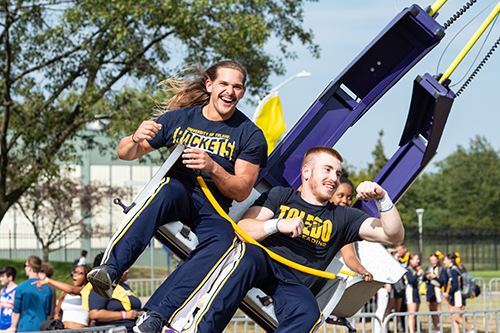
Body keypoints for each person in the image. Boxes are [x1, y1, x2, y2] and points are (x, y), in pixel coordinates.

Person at [142, 146, 404, 333]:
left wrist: (382, 198)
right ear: (307, 171)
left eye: (338, 172)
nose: (334, 178)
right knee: (247, 255)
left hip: (293, 281)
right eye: (328, 170)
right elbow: (244, 228)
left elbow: (393, 235)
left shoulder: (344, 216)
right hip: (262, 263)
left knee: (309, 311)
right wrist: (277, 224)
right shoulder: (281, 196)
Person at [86, 61, 267, 329]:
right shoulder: (179, 119)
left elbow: (241, 191)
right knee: (167, 189)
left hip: (213, 207)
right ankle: (111, 270)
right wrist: (135, 138)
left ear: (242, 92)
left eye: (237, 87)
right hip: (178, 192)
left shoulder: (250, 135)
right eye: (224, 84)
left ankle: (156, 315)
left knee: (224, 241)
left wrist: (213, 167)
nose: (230, 91)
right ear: (210, 85)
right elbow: (125, 153)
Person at [330, 175, 373, 282]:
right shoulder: (315, 214)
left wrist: (362, 270)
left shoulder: (345, 225)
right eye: (340, 195)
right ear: (330, 194)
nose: (345, 200)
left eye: (349, 198)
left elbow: (349, 256)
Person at [8, 256, 53, 333]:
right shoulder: (47, 288)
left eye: (25, 266)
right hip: (42, 328)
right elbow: (48, 314)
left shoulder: (21, 287)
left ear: (30, 268)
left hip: (25, 328)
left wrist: (13, 328)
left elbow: (16, 312)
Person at [443, 253, 473, 333]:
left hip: (457, 295)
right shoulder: (450, 269)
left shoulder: (454, 270)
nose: (444, 262)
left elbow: (456, 285)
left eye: (445, 260)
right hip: (453, 295)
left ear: (450, 260)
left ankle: (470, 331)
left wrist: (448, 293)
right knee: (452, 316)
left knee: (457, 317)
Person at [423, 252, 447, 333]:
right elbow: (423, 278)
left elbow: (443, 281)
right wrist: (426, 276)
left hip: (437, 291)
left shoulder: (441, 269)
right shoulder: (428, 268)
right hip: (429, 291)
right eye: (431, 260)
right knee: (432, 310)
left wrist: (435, 277)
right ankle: (435, 327)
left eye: (434, 260)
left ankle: (439, 328)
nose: (433, 262)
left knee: (437, 311)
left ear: (437, 260)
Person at [404, 254, 423, 333]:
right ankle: (411, 331)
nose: (418, 261)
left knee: (415, 314)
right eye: (416, 259)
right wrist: (418, 274)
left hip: (416, 293)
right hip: (410, 293)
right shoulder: (408, 270)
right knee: (412, 314)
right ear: (411, 261)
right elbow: (410, 280)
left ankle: (414, 329)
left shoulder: (415, 269)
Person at [0, 266, 17, 333]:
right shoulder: (2, 291)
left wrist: (13, 328)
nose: (0, 278)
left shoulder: (16, 291)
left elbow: (18, 312)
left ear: (10, 277)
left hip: (10, 328)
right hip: (1, 327)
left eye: (2, 276)